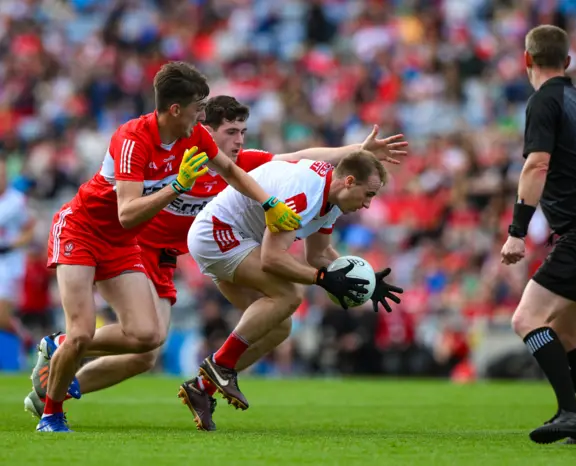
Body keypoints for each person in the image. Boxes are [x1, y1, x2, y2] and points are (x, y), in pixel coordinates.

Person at [25, 95, 407, 431]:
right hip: (134, 245)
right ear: (203, 130)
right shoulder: (177, 157)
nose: (240, 140)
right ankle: (65, 348)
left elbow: (300, 159)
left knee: (155, 353)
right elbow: (125, 194)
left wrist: (357, 149)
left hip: (168, 255)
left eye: (243, 131)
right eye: (231, 132)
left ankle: (53, 389)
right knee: (147, 339)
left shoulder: (242, 169)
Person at [35, 63, 302, 433]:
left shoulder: (194, 137)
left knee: (148, 337)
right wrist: (177, 186)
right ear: (175, 109)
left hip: (122, 243)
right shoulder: (133, 138)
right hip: (81, 231)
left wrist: (270, 203)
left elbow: (233, 171)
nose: (202, 116)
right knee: (82, 332)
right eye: (197, 108)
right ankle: (51, 413)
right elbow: (127, 214)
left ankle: (60, 347)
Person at [182, 150, 403, 428]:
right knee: (290, 295)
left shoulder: (330, 199)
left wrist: (367, 280)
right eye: (368, 194)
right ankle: (220, 364)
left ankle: (201, 388)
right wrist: (323, 279)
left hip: (236, 238)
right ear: (348, 181)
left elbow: (318, 255)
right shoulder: (305, 194)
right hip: (217, 234)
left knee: (280, 326)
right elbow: (272, 258)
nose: (368, 205)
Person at [500, 25, 576, 445]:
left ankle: (570, 412)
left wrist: (517, 231)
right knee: (567, 333)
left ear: (527, 60)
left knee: (526, 319)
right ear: (567, 62)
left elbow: (537, 165)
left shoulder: (544, 102)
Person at [0, 158, 35, 371]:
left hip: (8, 264)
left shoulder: (16, 201)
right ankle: (27, 344)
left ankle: (28, 341)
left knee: (2, 317)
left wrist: (13, 244)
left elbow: (29, 229)